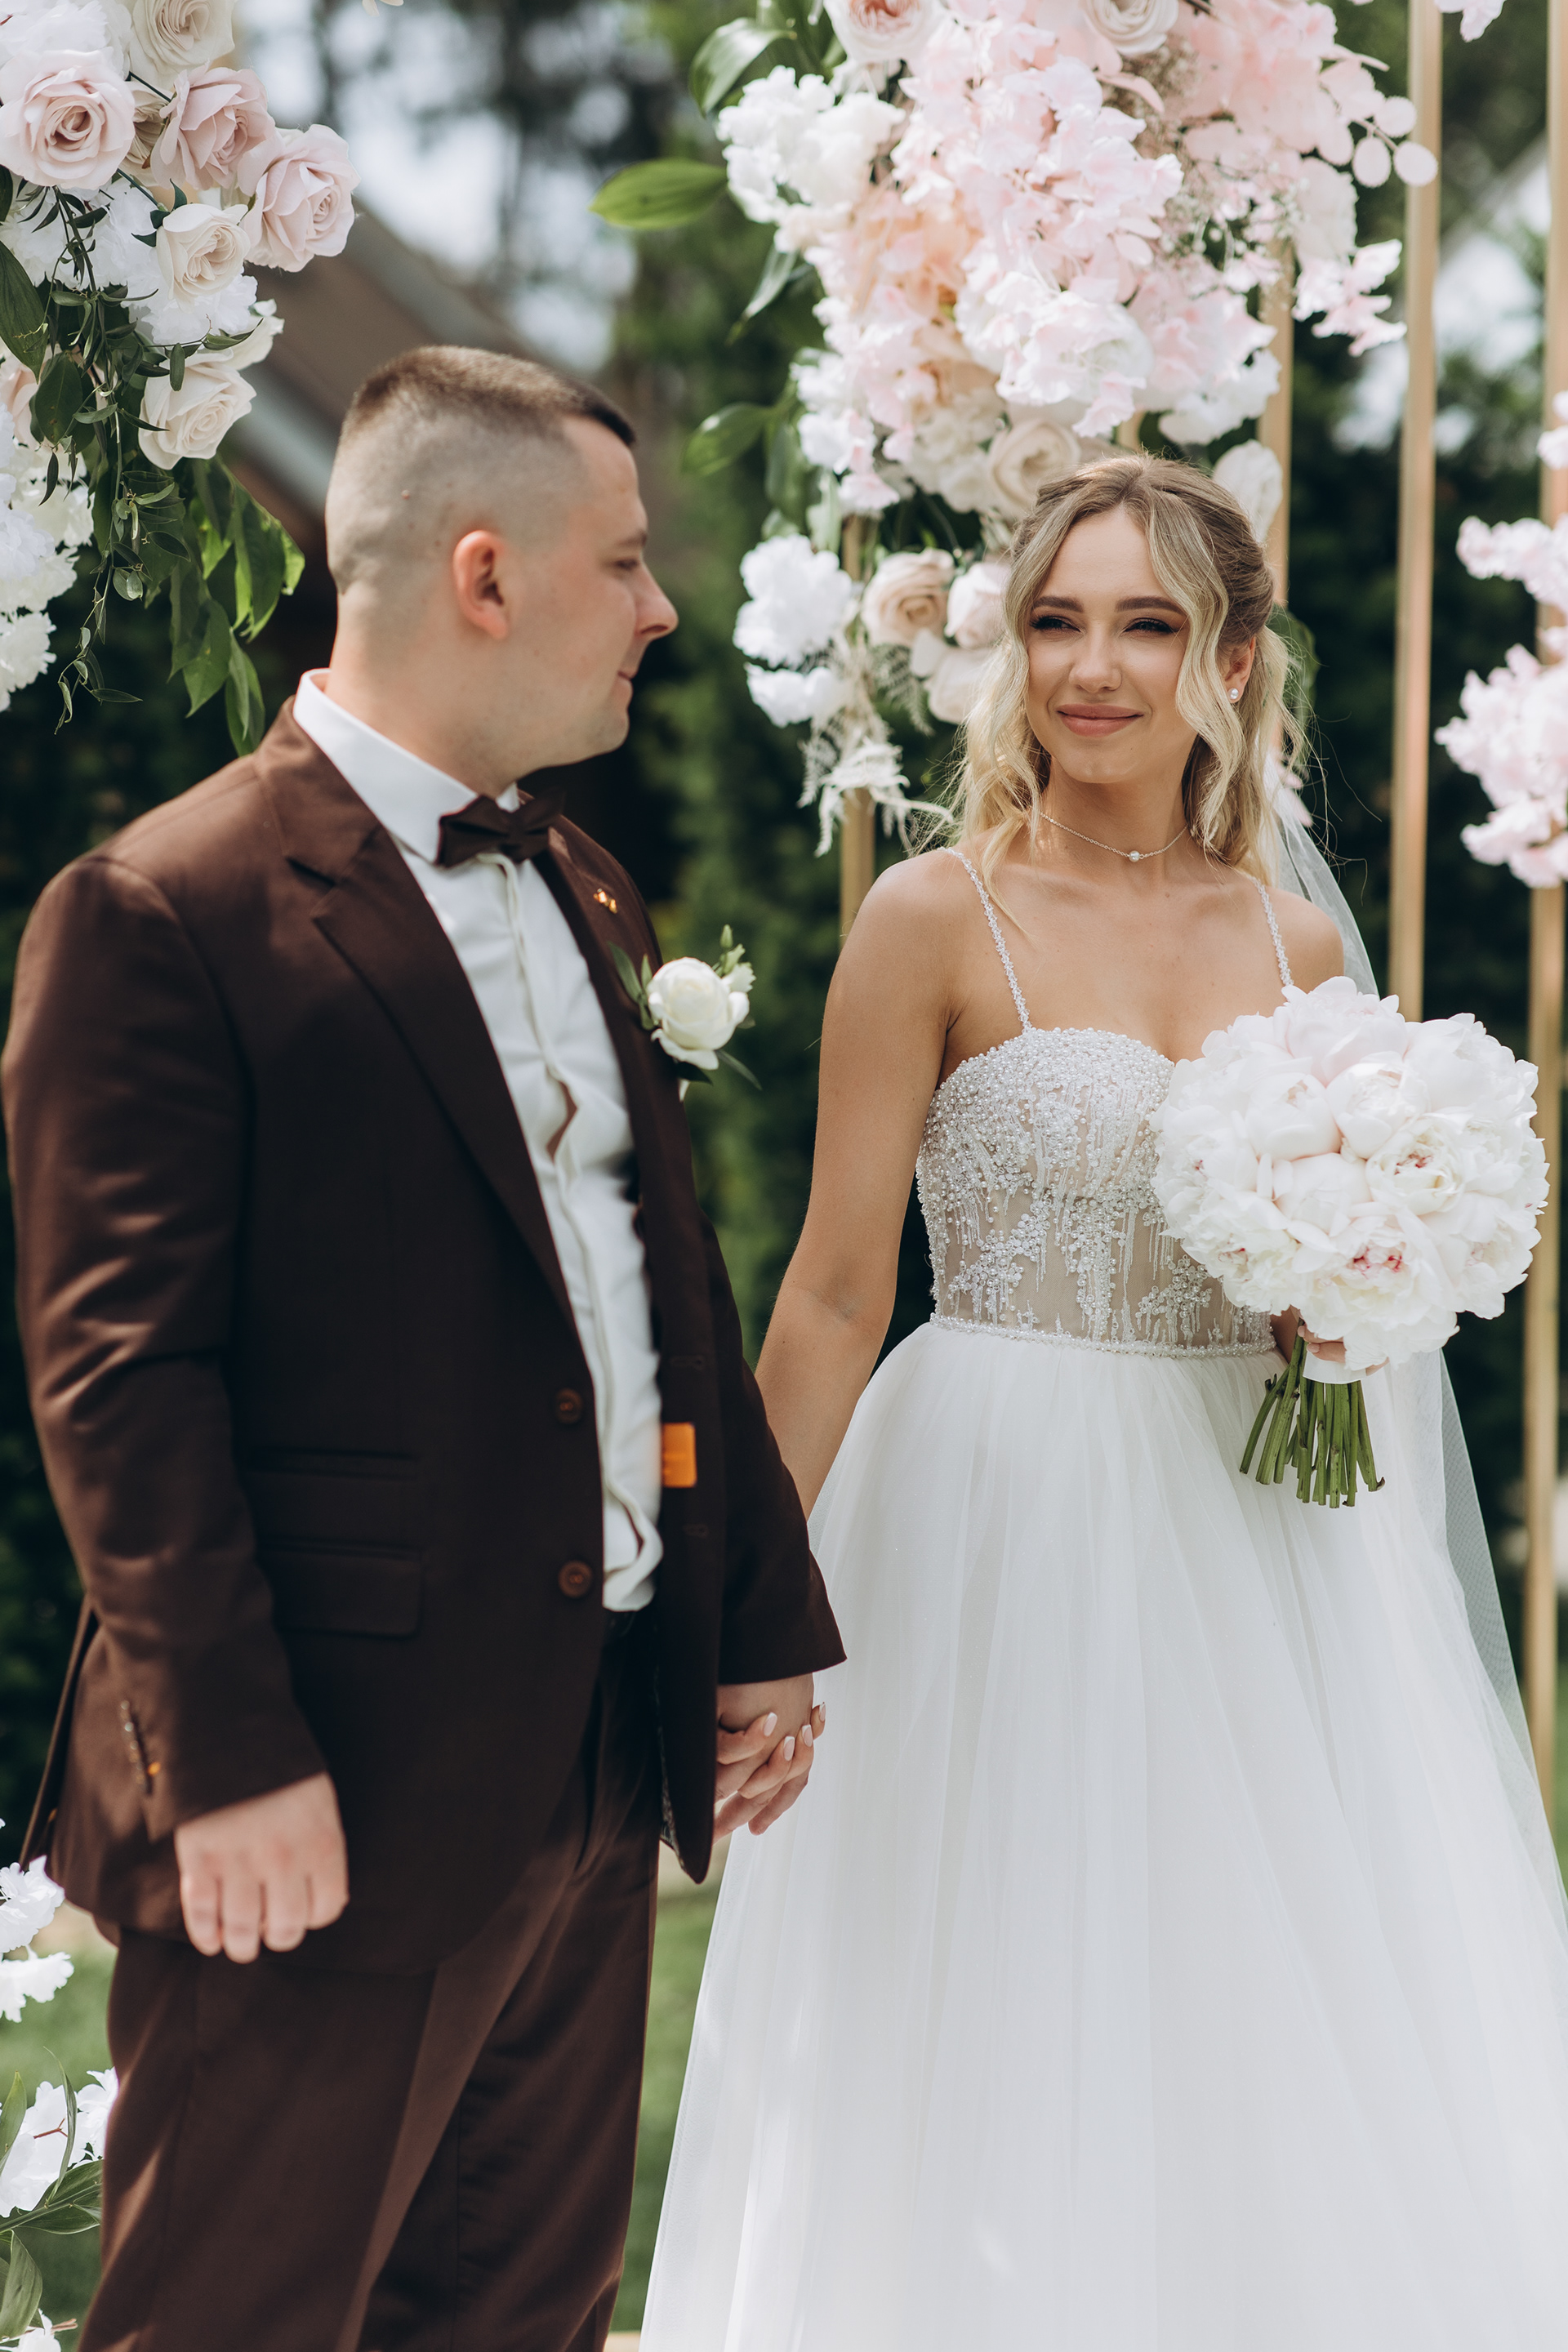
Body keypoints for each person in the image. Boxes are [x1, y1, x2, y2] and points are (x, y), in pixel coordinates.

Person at [641, 455, 1568, 2352]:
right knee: (981, 1977)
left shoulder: (1300, 948)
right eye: (1057, 621)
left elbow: (1355, 1284)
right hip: (985, 1522)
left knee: (1242, 1991)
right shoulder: (933, 917)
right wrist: (743, 1595)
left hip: (1249, 1532)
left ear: (1228, 661)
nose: (1092, 666)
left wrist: (1342, 1291)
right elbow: (835, 1291)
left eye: (1147, 625)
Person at [3, 345, 843, 2352]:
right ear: (485, 574)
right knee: (236, 2320)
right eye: (623, 561)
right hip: (325, 1779)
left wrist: (747, 1619)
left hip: (586, 1751)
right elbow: (123, 1381)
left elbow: (658, 1288)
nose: (659, 609)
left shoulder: (574, 876)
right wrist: (231, 1763)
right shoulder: (161, 909)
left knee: (518, 2320)